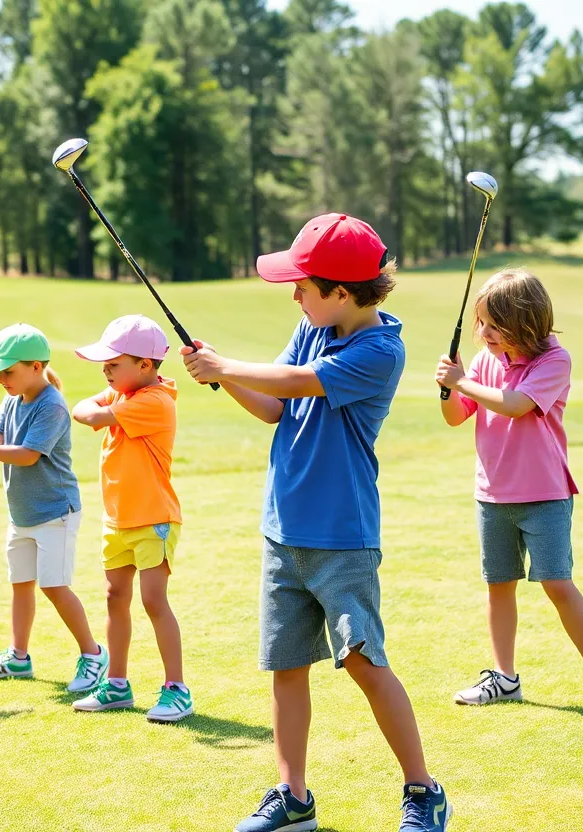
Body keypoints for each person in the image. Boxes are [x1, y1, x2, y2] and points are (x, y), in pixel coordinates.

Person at [183, 214, 451, 831]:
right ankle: (293, 798)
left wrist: (229, 367)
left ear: (340, 291)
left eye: (302, 284)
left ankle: (423, 789)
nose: (294, 294)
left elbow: (305, 383)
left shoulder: (381, 351)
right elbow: (277, 405)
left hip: (342, 536)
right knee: (286, 665)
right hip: (284, 529)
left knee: (362, 661)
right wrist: (218, 376)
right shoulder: (311, 326)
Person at [434, 268, 583, 717]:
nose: (483, 334)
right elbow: (455, 417)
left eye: (493, 326)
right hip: (493, 495)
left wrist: (461, 381)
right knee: (498, 586)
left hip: (544, 494)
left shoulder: (553, 362)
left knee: (557, 583)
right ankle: (505, 677)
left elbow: (517, 405)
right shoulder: (484, 360)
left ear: (526, 324)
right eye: (480, 323)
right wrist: (448, 389)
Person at [0, 323, 108, 693]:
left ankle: (93, 654)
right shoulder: (12, 398)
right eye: (0, 372)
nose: (1, 379)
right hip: (22, 513)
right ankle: (18, 657)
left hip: (55, 511)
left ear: (36, 367)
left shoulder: (52, 406)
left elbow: (27, 455)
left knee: (54, 586)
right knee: (20, 584)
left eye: (8, 371)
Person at [69, 315, 193, 724]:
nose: (105, 370)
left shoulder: (153, 401)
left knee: (153, 600)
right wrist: (104, 396)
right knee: (114, 597)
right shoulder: (123, 392)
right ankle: (118, 684)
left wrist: (101, 401)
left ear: (145, 365)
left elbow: (88, 413)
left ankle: (176, 689)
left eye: (113, 363)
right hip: (118, 519)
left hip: (153, 518)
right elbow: (80, 406)